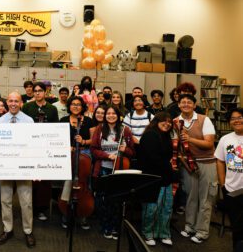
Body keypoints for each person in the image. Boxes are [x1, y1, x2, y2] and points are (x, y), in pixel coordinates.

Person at [174, 94, 216, 244]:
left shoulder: (204, 119)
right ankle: (190, 226)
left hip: (207, 163)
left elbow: (209, 143)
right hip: (187, 164)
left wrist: (189, 139)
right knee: (190, 197)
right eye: (182, 102)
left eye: (189, 102)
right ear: (178, 105)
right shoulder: (175, 122)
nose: (186, 104)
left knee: (205, 198)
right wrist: (185, 163)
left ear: (194, 104)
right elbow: (176, 148)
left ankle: (202, 231)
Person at [0, 91, 35, 248]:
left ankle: (28, 231)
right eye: (10, 101)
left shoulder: (29, 121)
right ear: (7, 103)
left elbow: (33, 145)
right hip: (5, 166)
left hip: (23, 166)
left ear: (21, 103)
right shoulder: (0, 122)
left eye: (16, 101)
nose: (13, 103)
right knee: (5, 200)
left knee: (26, 201)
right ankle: (8, 229)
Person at [91, 105, 135, 239]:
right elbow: (93, 149)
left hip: (120, 169)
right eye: (108, 113)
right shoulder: (99, 129)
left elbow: (132, 152)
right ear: (105, 116)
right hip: (103, 168)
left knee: (116, 200)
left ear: (118, 115)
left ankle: (116, 227)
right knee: (103, 200)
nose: (111, 115)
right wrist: (107, 156)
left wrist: (124, 150)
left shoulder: (125, 130)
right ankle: (106, 226)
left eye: (113, 113)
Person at [22, 82, 58, 221]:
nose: (37, 93)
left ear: (45, 92)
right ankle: (29, 207)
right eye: (35, 91)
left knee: (44, 180)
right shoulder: (27, 107)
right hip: (30, 147)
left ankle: (41, 209)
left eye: (40, 91)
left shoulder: (52, 109)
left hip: (46, 147)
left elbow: (56, 128)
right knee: (30, 178)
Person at [139, 112, 175, 246]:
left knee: (166, 207)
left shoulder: (166, 136)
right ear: (156, 122)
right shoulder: (150, 135)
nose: (167, 124)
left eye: (170, 122)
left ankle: (163, 233)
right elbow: (153, 158)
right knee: (152, 207)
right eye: (164, 121)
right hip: (152, 177)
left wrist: (169, 170)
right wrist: (169, 168)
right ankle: (148, 233)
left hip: (165, 176)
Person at [59, 96, 94, 230]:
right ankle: (66, 214)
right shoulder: (63, 120)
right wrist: (67, 146)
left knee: (85, 184)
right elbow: (58, 138)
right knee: (68, 183)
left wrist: (83, 142)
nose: (75, 106)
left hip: (85, 154)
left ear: (82, 107)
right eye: (73, 104)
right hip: (68, 154)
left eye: (78, 104)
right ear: (69, 106)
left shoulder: (89, 121)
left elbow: (93, 139)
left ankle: (83, 215)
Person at [214, 107, 243, 252]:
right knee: (237, 228)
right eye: (233, 118)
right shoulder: (225, 139)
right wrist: (222, 184)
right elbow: (220, 161)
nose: (237, 120)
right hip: (232, 190)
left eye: (240, 117)